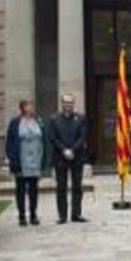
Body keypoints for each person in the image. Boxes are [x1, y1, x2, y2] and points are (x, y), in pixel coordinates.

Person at [5, 99, 47, 226]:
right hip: (21, 159)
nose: (31, 108)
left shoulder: (38, 121)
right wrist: (12, 157)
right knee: (21, 188)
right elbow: (10, 141)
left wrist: (44, 157)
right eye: (28, 106)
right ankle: (22, 215)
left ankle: (33, 214)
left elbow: (43, 139)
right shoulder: (15, 122)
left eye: (32, 106)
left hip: (35, 158)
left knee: (34, 188)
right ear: (22, 107)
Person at [48, 93, 89, 224]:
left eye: (70, 102)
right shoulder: (54, 119)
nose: (68, 105)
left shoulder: (80, 118)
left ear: (73, 104)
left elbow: (82, 136)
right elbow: (53, 138)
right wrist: (64, 150)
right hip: (60, 157)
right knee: (61, 187)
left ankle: (76, 214)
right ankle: (62, 216)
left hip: (77, 157)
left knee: (77, 186)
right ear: (62, 104)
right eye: (66, 102)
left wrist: (72, 150)